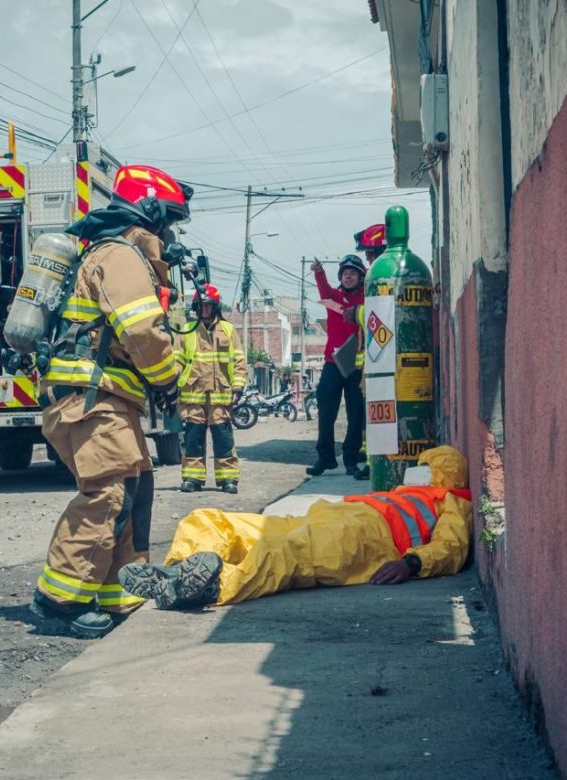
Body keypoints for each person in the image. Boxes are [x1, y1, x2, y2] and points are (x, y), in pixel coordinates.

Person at [30, 163, 193, 638]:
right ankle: (58, 599)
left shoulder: (123, 255)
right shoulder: (120, 255)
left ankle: (117, 589)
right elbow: (141, 329)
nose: (171, 233)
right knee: (106, 494)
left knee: (135, 488)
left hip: (107, 396)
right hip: (90, 397)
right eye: (169, 221)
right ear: (148, 212)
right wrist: (167, 379)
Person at [119, 446, 472, 608]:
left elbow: (451, 549)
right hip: (327, 517)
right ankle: (178, 572)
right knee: (210, 519)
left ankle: (214, 588)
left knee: (281, 554)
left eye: (427, 466)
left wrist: (410, 563)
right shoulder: (410, 491)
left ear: (442, 473)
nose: (420, 470)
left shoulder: (452, 501)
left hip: (364, 539)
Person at [175, 283, 247, 494]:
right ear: (196, 307)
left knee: (223, 440)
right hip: (193, 395)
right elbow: (177, 360)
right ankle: (192, 478)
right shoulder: (187, 330)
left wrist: (238, 388)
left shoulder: (228, 330)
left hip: (220, 396)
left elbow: (239, 361)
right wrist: (170, 385)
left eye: (208, 306)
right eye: (201, 305)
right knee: (193, 440)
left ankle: (228, 479)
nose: (204, 310)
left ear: (215, 307)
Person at [307, 254, 367, 476]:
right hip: (333, 363)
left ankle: (350, 458)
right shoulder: (335, 297)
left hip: (357, 366)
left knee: (356, 412)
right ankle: (326, 458)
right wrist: (318, 271)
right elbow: (323, 289)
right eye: (344, 273)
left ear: (361, 277)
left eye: (353, 273)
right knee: (326, 411)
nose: (348, 276)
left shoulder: (367, 298)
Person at [347, 224, 387, 481]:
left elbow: (380, 313)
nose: (368, 260)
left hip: (381, 363)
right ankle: (375, 462)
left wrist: (356, 314)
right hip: (378, 362)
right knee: (376, 414)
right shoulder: (388, 271)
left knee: (378, 415)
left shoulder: (382, 273)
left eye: (369, 254)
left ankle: (377, 464)